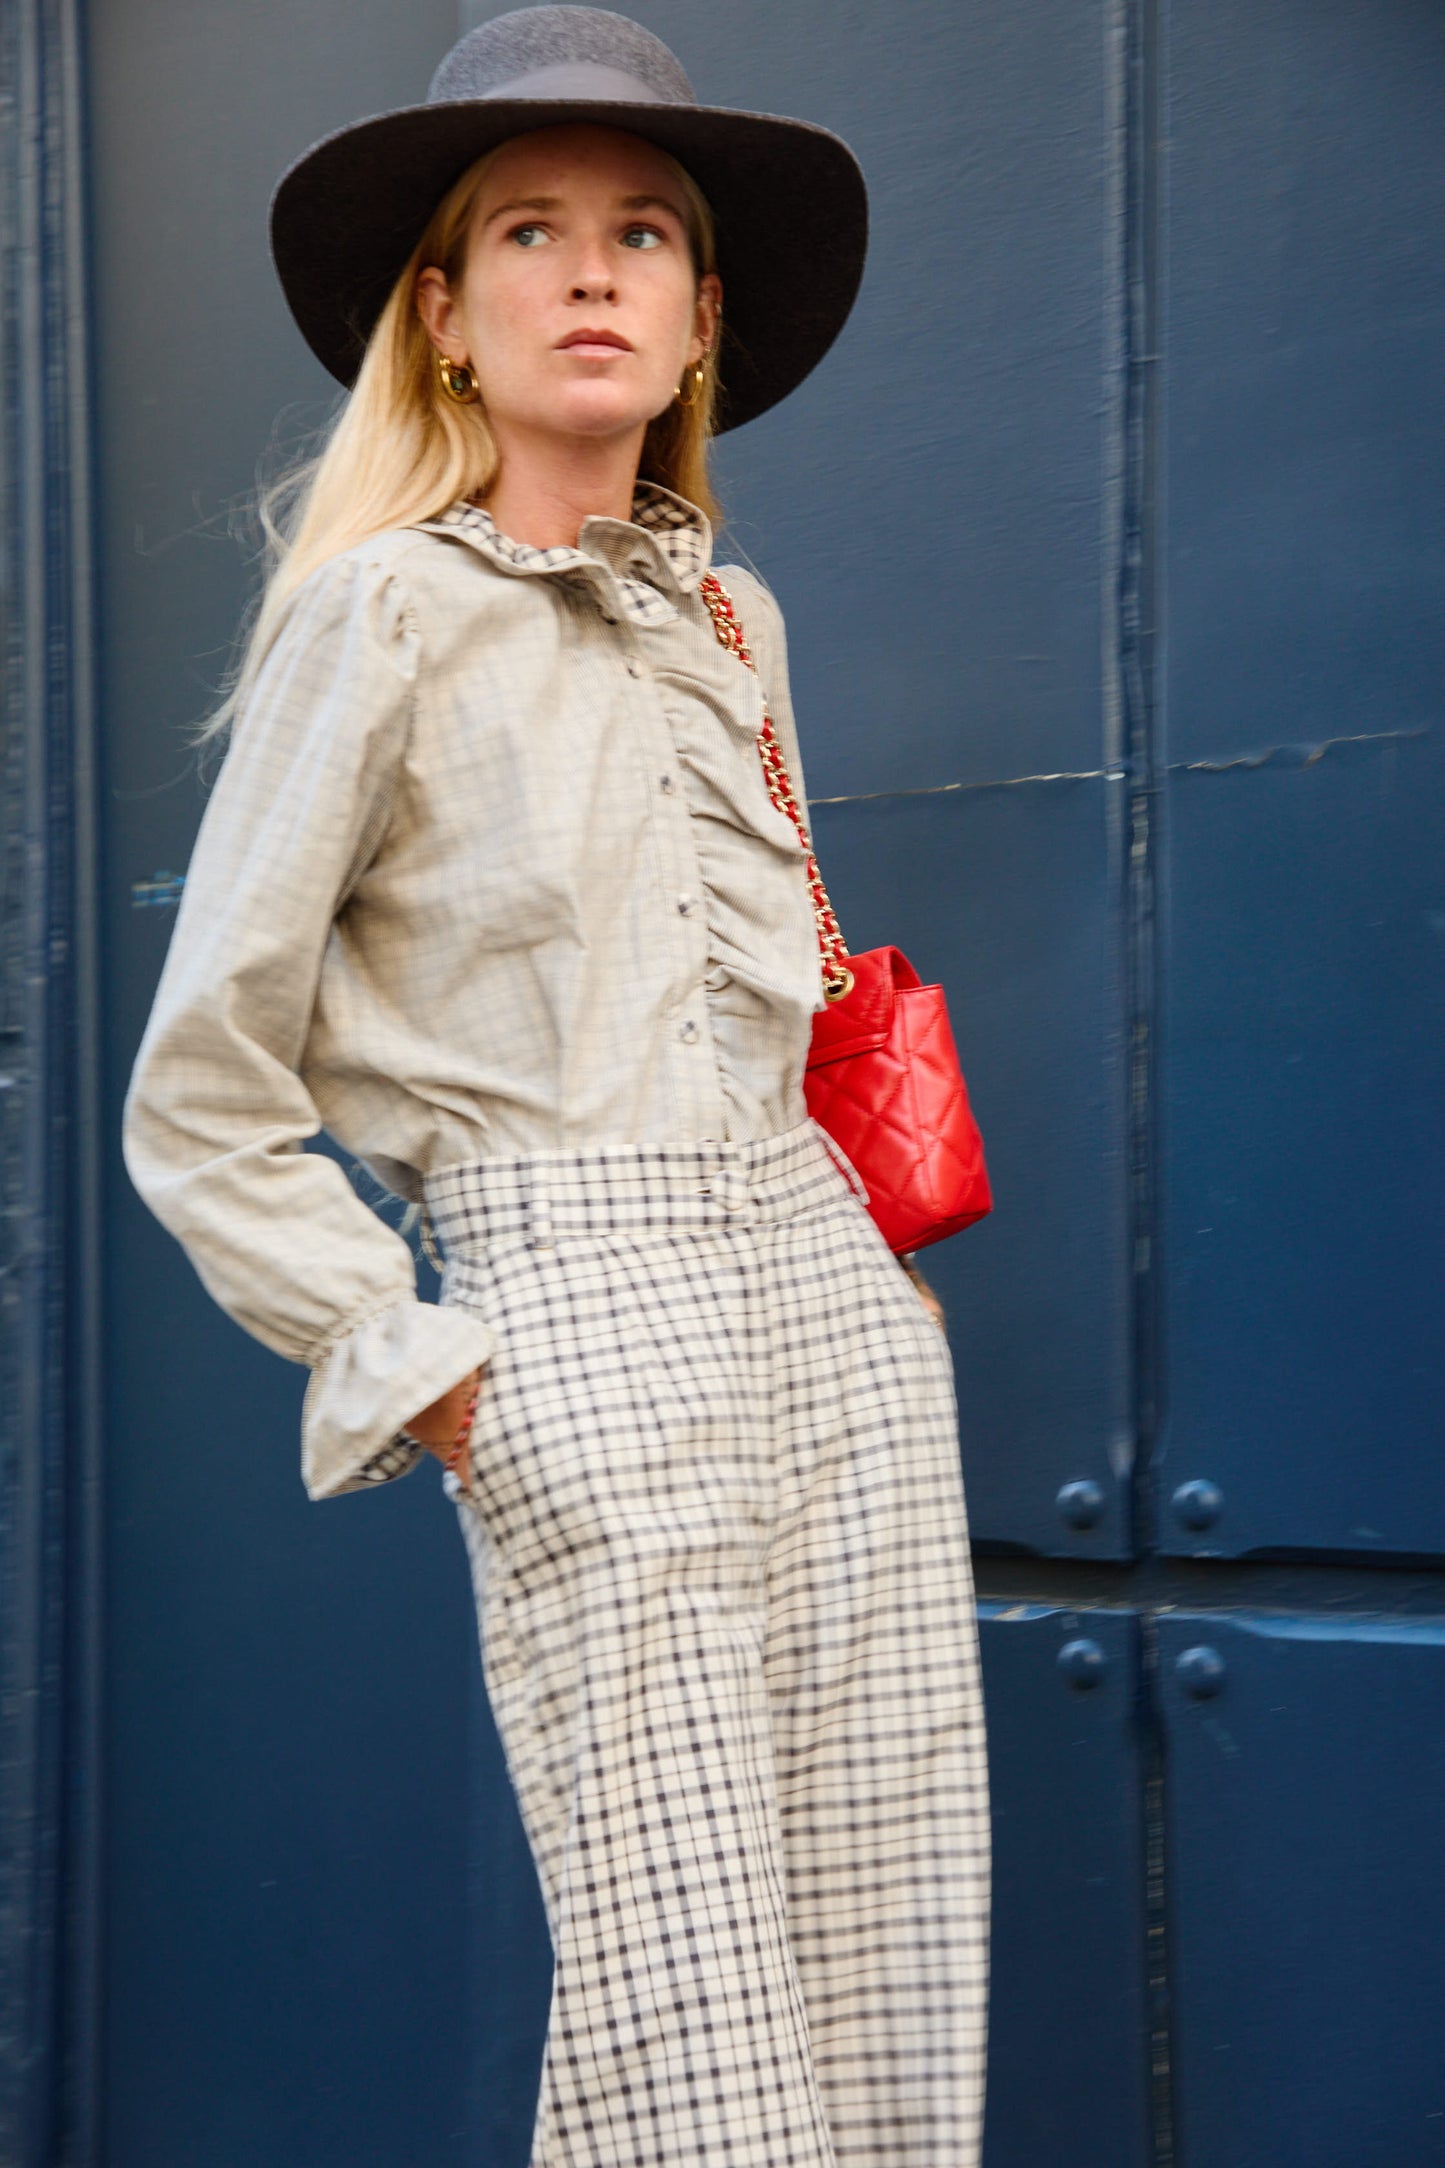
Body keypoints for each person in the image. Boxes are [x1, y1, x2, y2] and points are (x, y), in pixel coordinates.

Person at [123, 9, 991, 2164]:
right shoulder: (383, 618)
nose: (589, 273)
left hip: (827, 1315)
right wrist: (430, 1369)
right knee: (685, 2031)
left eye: (641, 233)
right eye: (529, 229)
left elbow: (768, 992)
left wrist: (880, 1290)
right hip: (575, 1320)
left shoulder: (737, 623)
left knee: (887, 1970)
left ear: (702, 315)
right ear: (442, 313)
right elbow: (200, 1090)